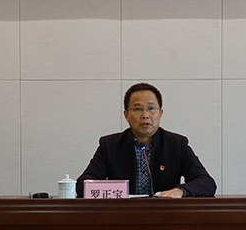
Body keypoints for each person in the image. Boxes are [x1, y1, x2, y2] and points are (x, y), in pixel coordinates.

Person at [76, 83, 216, 198]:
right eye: (138, 109)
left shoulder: (177, 144)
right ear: (126, 115)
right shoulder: (110, 145)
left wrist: (181, 191)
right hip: (122, 216)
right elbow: (83, 184)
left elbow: (207, 182)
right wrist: (114, 191)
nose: (145, 115)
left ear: (160, 113)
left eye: (151, 108)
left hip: (165, 216)